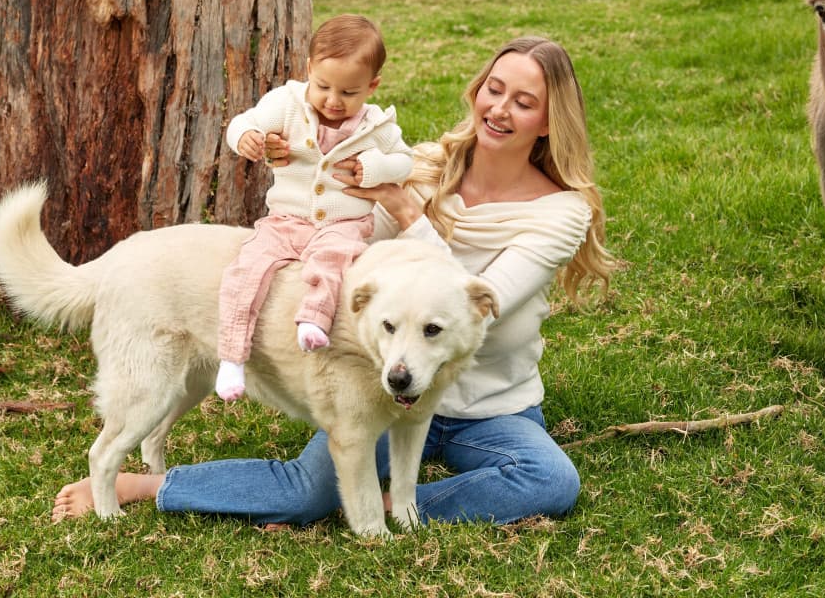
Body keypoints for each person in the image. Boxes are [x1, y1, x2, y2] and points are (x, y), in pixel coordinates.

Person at [52, 36, 614, 527]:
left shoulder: (560, 212)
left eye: (524, 102)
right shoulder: (416, 166)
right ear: (476, 92)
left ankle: (395, 503)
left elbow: (483, 302)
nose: (500, 109)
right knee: (307, 492)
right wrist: (286, 152)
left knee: (550, 482)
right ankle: (143, 486)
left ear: (547, 120)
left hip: (490, 408)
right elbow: (330, 219)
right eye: (494, 89)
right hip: (379, 385)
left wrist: (404, 209)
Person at [215, 14, 414, 402]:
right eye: (323, 87)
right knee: (248, 267)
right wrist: (249, 138)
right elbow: (240, 123)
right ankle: (231, 357)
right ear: (309, 71)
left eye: (349, 93)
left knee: (334, 261)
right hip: (286, 218)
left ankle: (314, 320)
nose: (333, 101)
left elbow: (404, 162)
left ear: (372, 86)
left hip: (344, 221)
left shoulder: (377, 126)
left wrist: (375, 168)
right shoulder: (286, 104)